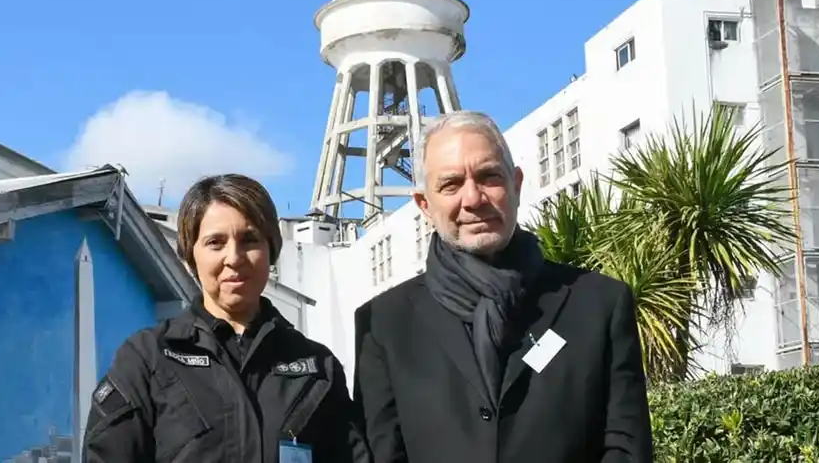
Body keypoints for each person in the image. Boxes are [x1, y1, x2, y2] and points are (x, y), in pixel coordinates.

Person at [353, 111, 654, 463]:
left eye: (489, 176)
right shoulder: (384, 324)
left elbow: (626, 448)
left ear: (516, 184)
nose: (473, 198)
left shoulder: (599, 305)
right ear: (424, 205)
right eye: (450, 184)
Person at [83, 173, 371, 463]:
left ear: (271, 250)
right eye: (215, 243)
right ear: (190, 255)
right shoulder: (147, 360)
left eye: (249, 240)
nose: (234, 257)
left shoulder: (317, 368)